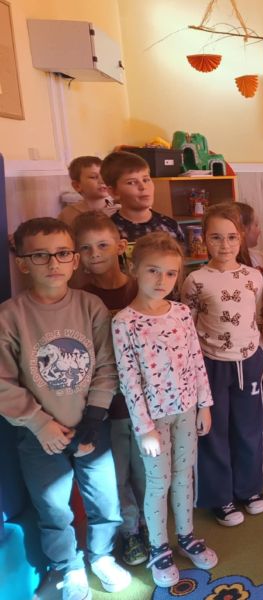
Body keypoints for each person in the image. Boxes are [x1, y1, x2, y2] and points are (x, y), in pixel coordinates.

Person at [0, 218, 130, 599]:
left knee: (105, 500)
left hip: (91, 427)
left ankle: (102, 556)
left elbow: (107, 364)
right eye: (40, 256)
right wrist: (40, 424)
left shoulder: (91, 306)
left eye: (61, 254)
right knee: (53, 508)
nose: (53, 263)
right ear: (23, 263)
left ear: (74, 260)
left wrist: (93, 418)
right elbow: (3, 382)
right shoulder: (10, 316)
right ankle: (69, 566)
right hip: (39, 436)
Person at [112, 232, 218, 586]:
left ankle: (186, 536)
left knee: (184, 475)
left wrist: (204, 405)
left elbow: (196, 360)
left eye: (171, 273)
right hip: (153, 420)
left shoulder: (182, 313)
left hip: (187, 411)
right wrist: (144, 428)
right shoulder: (124, 322)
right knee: (159, 483)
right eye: (153, 271)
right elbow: (129, 380)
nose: (162, 280)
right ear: (134, 269)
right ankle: (159, 546)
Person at [181, 203, 263, 525]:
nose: (225, 245)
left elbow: (255, 315)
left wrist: (258, 353)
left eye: (231, 237)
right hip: (211, 364)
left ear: (241, 237)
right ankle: (221, 497)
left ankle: (249, 489)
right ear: (204, 239)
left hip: (248, 361)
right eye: (216, 237)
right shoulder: (195, 280)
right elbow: (188, 325)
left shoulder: (254, 277)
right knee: (214, 430)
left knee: (248, 427)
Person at [73, 211, 147, 567]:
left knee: (146, 469)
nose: (95, 255)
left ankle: (150, 524)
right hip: (107, 405)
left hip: (145, 401)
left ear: (120, 246)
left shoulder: (140, 287)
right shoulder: (81, 298)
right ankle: (129, 530)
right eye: (85, 248)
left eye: (102, 245)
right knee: (118, 474)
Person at [234, 201, 263, 464]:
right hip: (241, 344)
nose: (259, 231)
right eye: (256, 225)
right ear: (242, 230)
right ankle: (247, 440)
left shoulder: (260, 258)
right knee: (245, 393)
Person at [100, 151, 184, 244]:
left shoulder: (170, 225)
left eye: (146, 180)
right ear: (113, 191)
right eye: (131, 182)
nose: (143, 187)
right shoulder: (107, 231)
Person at [58, 156, 117, 227]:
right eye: (93, 177)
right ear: (77, 186)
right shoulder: (68, 214)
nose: (102, 181)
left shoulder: (120, 209)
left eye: (105, 176)